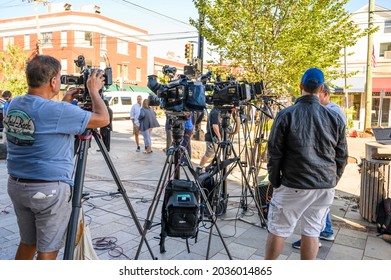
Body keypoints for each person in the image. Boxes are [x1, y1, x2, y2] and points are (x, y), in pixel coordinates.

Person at [4, 54, 109, 260]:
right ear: (53, 81)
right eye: (60, 78)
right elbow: (103, 119)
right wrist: (94, 91)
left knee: (28, 242)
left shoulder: (16, 103)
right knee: (48, 248)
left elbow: (45, 119)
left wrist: (65, 102)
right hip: (48, 191)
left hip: (17, 185)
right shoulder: (57, 110)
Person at [265, 68, 348, 260]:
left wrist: (275, 179)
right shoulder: (334, 117)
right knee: (312, 231)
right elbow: (342, 155)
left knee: (279, 229)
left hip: (294, 183)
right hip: (324, 185)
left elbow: (274, 151)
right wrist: (332, 179)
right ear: (321, 88)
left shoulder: (287, 114)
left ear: (301, 86)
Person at [292, 83, 347, 249]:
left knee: (313, 209)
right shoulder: (331, 111)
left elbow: (340, 150)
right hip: (324, 171)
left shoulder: (332, 112)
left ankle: (313, 237)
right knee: (319, 206)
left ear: (324, 93)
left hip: (322, 169)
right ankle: (326, 230)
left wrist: (334, 177)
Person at [196, 108, 222, 173]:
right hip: (212, 138)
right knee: (209, 154)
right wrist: (219, 137)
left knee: (213, 154)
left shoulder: (216, 111)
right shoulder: (215, 112)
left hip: (214, 137)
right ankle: (199, 167)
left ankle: (207, 167)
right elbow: (215, 126)